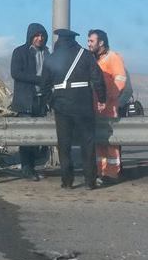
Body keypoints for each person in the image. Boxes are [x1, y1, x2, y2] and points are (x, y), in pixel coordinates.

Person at [41, 28, 106, 189]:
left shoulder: (52, 57)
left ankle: (67, 181)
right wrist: (102, 98)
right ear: (73, 40)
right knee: (88, 143)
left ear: (59, 41)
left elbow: (44, 85)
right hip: (83, 104)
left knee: (64, 145)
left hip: (61, 105)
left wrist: (52, 102)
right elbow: (97, 78)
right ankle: (90, 182)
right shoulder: (85, 55)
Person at [10, 23, 49, 181]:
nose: (40, 38)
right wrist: (38, 80)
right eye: (37, 35)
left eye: (42, 36)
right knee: (26, 137)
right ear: (30, 36)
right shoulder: (20, 52)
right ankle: (27, 169)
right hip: (26, 100)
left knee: (38, 137)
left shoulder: (47, 53)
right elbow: (16, 73)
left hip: (42, 100)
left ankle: (33, 167)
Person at [87, 29, 127, 180]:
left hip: (109, 108)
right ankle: (100, 171)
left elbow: (120, 80)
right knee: (99, 141)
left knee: (110, 142)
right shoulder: (92, 59)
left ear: (101, 42)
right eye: (88, 40)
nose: (88, 44)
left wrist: (108, 99)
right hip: (95, 107)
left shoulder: (113, 58)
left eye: (91, 41)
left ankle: (112, 172)